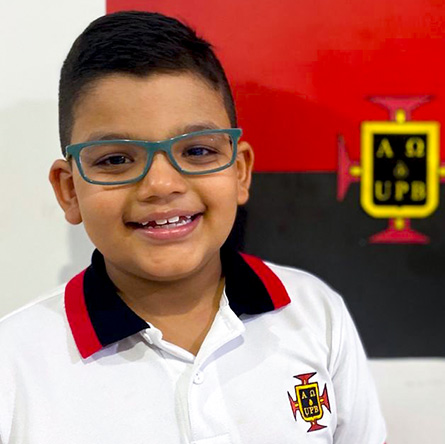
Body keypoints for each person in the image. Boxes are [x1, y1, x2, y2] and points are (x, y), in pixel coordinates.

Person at [0, 10, 386, 444]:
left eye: (198, 150)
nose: (161, 185)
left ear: (239, 173)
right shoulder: (14, 364)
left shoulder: (315, 314)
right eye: (115, 159)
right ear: (69, 191)